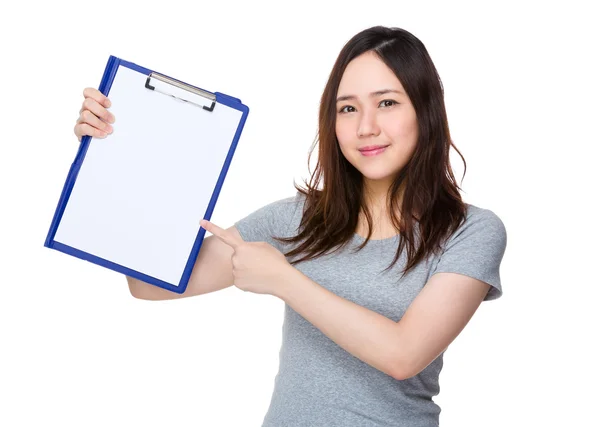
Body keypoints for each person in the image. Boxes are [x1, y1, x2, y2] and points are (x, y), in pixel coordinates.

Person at [74, 25, 507, 427]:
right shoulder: (296, 218)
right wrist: (118, 158)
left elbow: (403, 354)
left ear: (425, 109)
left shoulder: (471, 232)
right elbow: (150, 284)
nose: (366, 127)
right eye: (348, 108)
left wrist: (284, 279)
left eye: (387, 103)